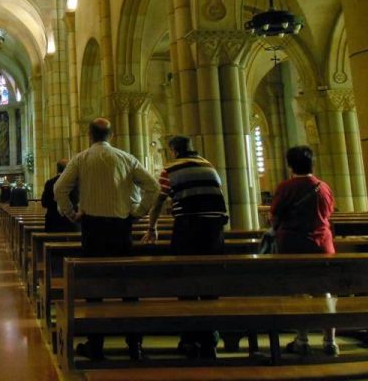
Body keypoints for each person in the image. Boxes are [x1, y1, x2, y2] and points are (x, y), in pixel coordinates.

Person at [55, 118, 159, 361]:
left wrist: (72, 214)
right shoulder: (126, 158)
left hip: (92, 228)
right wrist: (138, 213)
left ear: (90, 136)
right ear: (111, 136)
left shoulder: (81, 159)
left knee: (94, 288)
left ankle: (96, 345)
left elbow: (59, 189)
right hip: (121, 228)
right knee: (127, 287)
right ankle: (135, 345)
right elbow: (153, 187)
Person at [143, 135, 228, 359]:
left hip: (188, 229)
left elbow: (159, 201)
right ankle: (210, 339)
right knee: (210, 286)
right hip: (215, 231)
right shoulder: (209, 166)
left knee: (186, 283)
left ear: (173, 151)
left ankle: (190, 339)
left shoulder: (171, 169)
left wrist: (151, 228)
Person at [271, 145, 338, 356]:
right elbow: (328, 212)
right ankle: (330, 342)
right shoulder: (323, 187)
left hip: (294, 245)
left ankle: (302, 339)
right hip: (322, 246)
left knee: (299, 293)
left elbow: (275, 216)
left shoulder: (286, 187)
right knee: (325, 292)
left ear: (290, 165)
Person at [41, 159, 80, 232]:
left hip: (53, 221)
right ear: (68, 169)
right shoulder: (74, 183)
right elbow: (77, 200)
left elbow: (44, 203)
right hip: (70, 222)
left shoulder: (49, 183)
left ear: (57, 169)